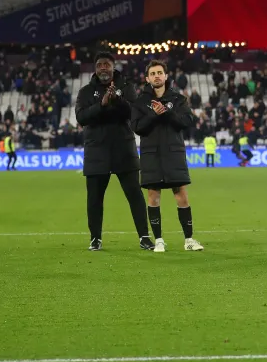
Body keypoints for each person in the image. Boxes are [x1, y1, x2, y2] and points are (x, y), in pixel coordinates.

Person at [75, 52, 154, 251]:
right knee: (94, 198)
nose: (103, 68)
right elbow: (81, 117)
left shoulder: (126, 87)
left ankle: (144, 237)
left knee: (134, 194)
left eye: (107, 64)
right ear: (95, 68)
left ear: (113, 67)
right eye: (100, 64)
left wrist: (117, 99)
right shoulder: (85, 91)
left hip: (123, 149)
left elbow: (134, 112)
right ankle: (95, 238)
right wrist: (101, 105)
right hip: (96, 151)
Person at [132, 60, 203, 252]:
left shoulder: (179, 100)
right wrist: (154, 114)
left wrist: (167, 113)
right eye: (152, 73)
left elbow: (187, 121)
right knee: (153, 196)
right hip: (151, 154)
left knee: (181, 196)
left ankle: (188, 240)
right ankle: (159, 240)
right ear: (147, 78)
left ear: (165, 76)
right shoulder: (140, 102)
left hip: (173, 154)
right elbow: (137, 127)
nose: (156, 76)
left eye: (159, 73)